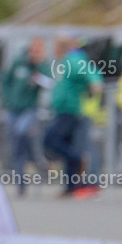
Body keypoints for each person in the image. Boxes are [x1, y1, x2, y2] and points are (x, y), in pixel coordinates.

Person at [42, 33, 103, 198]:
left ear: (61, 47)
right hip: (64, 110)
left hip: (69, 111)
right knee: (66, 144)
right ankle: (70, 187)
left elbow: (92, 73)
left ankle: (78, 158)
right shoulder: (65, 61)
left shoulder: (73, 60)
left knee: (49, 139)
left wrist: (95, 83)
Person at [0, 37, 47, 196]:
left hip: (29, 110)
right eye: (33, 50)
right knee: (16, 146)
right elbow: (5, 81)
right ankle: (21, 183)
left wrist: (38, 74)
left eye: (38, 51)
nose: (35, 54)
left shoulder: (41, 66)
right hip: (13, 109)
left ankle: (37, 159)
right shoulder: (18, 62)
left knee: (21, 132)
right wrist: (6, 100)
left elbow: (50, 82)